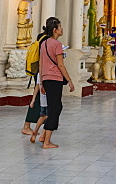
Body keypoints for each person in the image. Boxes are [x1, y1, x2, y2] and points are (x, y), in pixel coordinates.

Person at [39, 16, 75, 149]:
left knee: (53, 107)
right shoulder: (57, 44)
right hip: (55, 79)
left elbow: (41, 64)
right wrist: (70, 81)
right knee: (55, 108)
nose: (62, 29)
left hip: (46, 79)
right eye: (60, 27)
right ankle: (47, 141)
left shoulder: (43, 43)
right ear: (55, 30)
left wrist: (42, 82)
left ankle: (43, 135)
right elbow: (60, 65)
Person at [22, 30, 48, 137]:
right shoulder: (45, 40)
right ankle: (26, 125)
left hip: (39, 71)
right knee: (38, 98)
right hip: (41, 71)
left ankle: (46, 121)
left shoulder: (41, 38)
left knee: (42, 97)